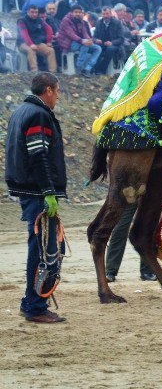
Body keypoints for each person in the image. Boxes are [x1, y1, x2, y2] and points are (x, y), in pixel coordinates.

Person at [5, 73, 67, 323]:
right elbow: (38, 155)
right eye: (58, 91)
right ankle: (35, 306)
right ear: (49, 90)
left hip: (27, 189)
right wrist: (48, 191)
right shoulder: (38, 114)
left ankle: (30, 302)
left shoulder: (22, 110)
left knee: (40, 246)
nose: (58, 96)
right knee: (44, 250)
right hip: (37, 192)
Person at [104, 204, 157, 282]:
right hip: (128, 195)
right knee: (119, 230)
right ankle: (110, 272)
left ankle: (147, 271)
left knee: (147, 229)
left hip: (149, 195)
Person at [58, 5, 101, 77]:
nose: (78, 14)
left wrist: (89, 40)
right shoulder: (66, 20)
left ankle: (87, 69)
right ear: (71, 13)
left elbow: (85, 33)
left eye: (79, 12)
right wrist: (83, 41)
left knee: (98, 48)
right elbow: (71, 34)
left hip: (78, 42)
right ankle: (79, 67)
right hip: (67, 43)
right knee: (85, 45)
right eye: (76, 12)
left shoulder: (81, 20)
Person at [17, 5, 56, 72]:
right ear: (28, 12)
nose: (34, 14)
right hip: (23, 43)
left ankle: (53, 71)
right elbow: (24, 34)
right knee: (31, 50)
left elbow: (49, 29)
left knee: (50, 50)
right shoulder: (21, 21)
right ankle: (34, 71)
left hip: (37, 42)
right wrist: (31, 44)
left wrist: (49, 41)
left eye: (36, 12)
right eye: (32, 12)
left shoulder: (39, 20)